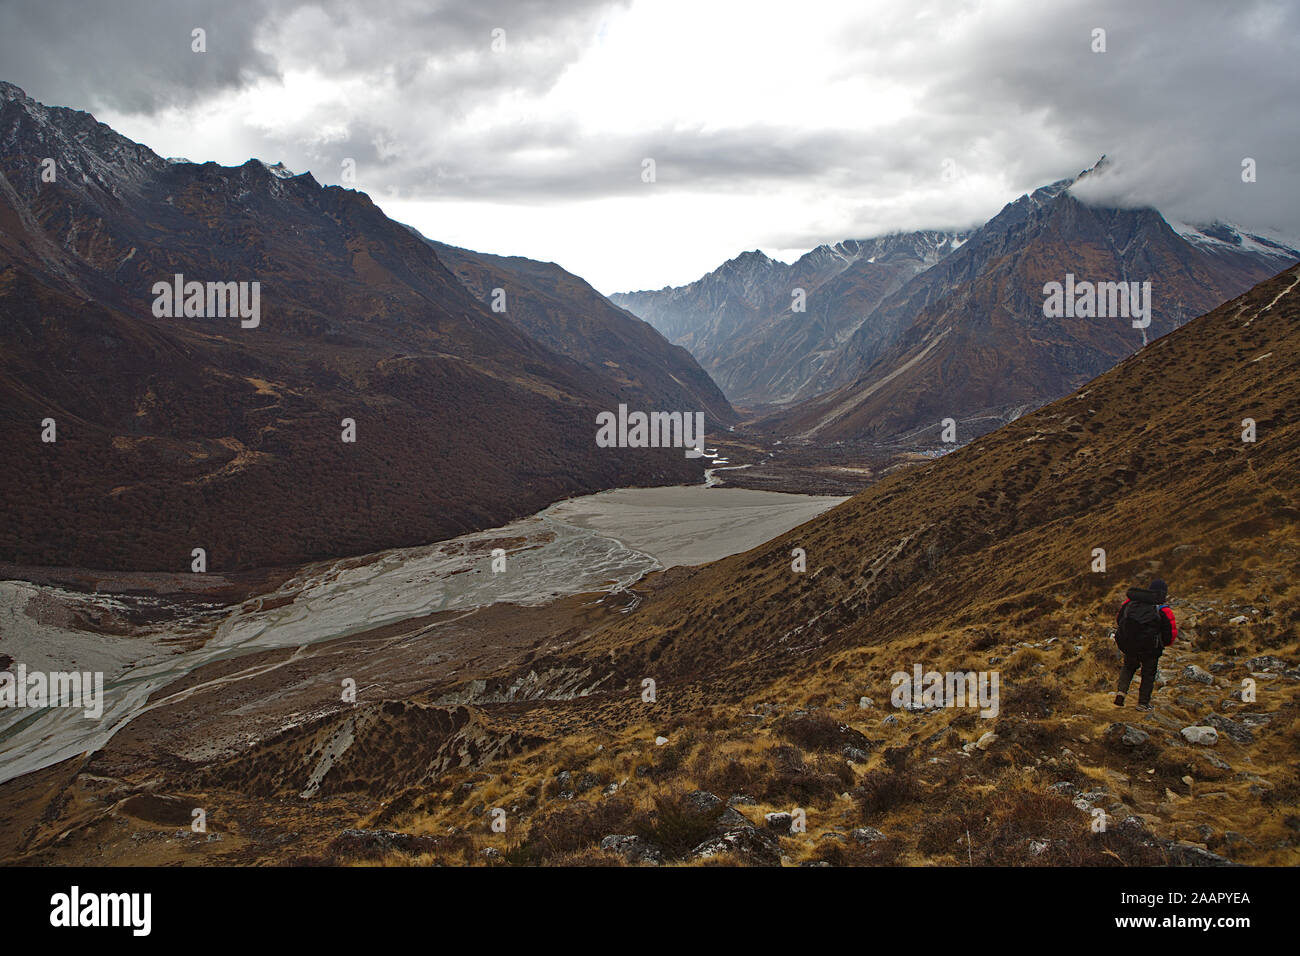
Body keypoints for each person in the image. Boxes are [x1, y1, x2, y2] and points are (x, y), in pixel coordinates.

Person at [1113, 578, 1177, 711]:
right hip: (1151, 649)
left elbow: (1119, 620)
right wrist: (1161, 644)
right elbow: (1170, 633)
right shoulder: (1163, 609)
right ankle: (1143, 703)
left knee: (1128, 667)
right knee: (1148, 674)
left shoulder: (1130, 603)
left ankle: (1121, 693)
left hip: (1130, 645)